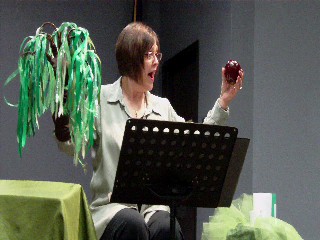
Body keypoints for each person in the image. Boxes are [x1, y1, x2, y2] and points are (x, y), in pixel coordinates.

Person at [54, 22, 244, 240]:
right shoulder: (99, 100)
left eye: (157, 55)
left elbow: (198, 141)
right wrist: (63, 122)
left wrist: (223, 102)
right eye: (149, 55)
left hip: (153, 211)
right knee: (132, 224)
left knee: (167, 227)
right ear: (131, 59)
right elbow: (73, 146)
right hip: (111, 210)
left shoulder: (163, 107)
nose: (156, 62)